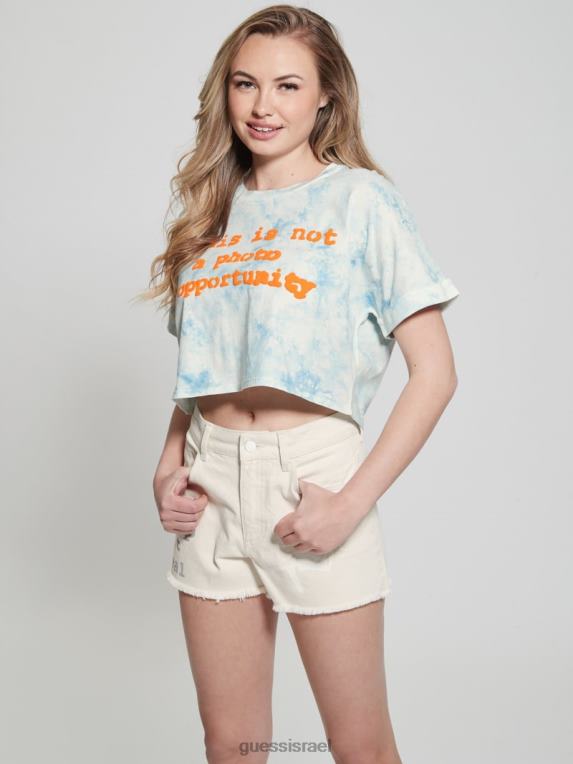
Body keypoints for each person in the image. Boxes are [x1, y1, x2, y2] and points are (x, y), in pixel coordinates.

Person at [141, 5, 460, 763]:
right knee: (232, 745)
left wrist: (350, 502)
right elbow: (204, 366)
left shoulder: (361, 202)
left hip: (310, 477)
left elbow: (436, 374)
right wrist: (169, 459)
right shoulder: (209, 214)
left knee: (358, 747)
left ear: (325, 98)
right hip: (212, 481)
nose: (263, 105)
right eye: (245, 83)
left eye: (287, 85)